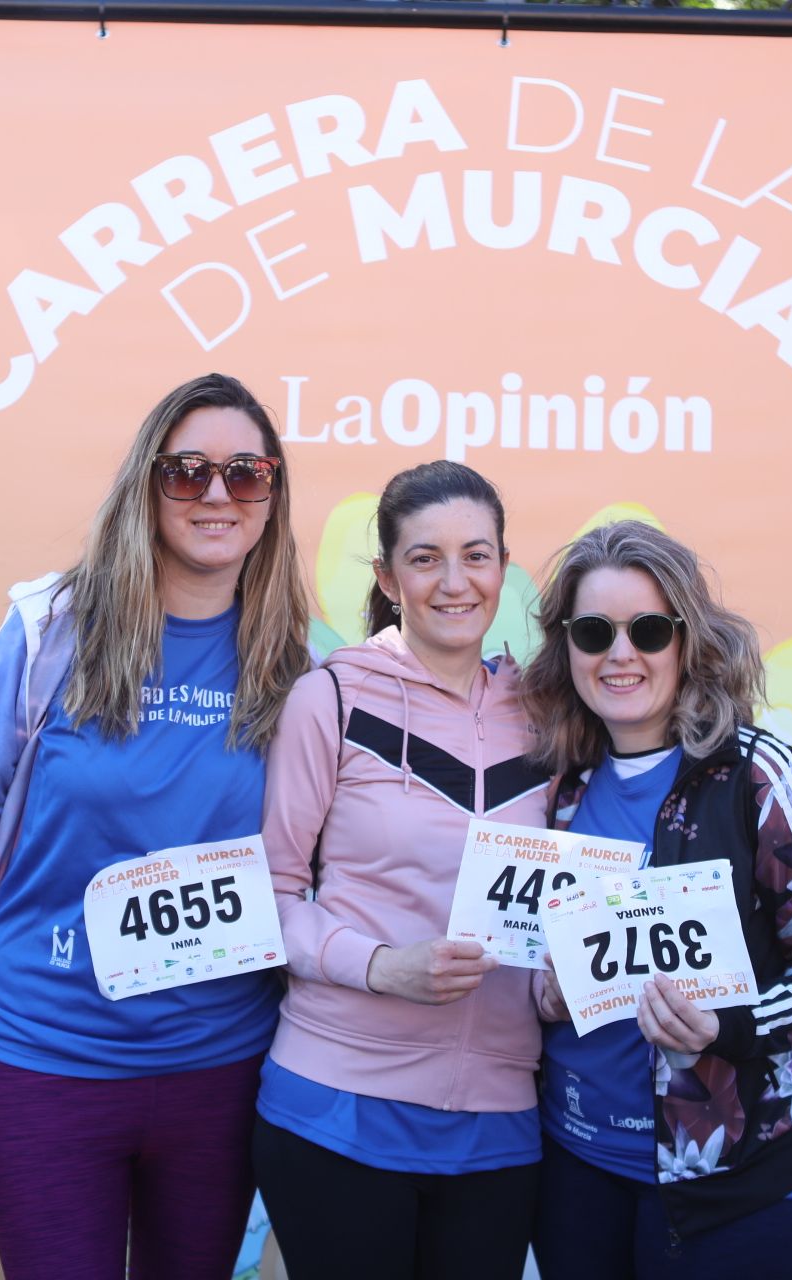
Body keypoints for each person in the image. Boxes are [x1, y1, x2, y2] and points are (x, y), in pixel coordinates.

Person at [0, 373, 312, 1280]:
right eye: (189, 471)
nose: (217, 494)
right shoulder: (51, 629)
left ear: (273, 494)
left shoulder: (304, 666)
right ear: (147, 483)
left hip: (224, 1072)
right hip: (46, 1062)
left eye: (246, 474)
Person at [520, 520, 792, 1280]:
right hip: (575, 1173)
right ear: (567, 648)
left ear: (688, 640)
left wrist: (727, 1025)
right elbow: (538, 948)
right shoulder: (557, 784)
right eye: (594, 632)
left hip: (736, 1192)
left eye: (648, 630)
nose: (621, 654)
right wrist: (543, 990)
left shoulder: (761, 778)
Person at [254, 460, 550, 1280]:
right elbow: (269, 895)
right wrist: (384, 967)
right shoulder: (332, 699)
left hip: (499, 1120)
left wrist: (565, 981)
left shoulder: (551, 715)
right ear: (387, 577)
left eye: (476, 555)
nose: (454, 582)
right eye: (424, 559)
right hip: (336, 1106)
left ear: (503, 567)